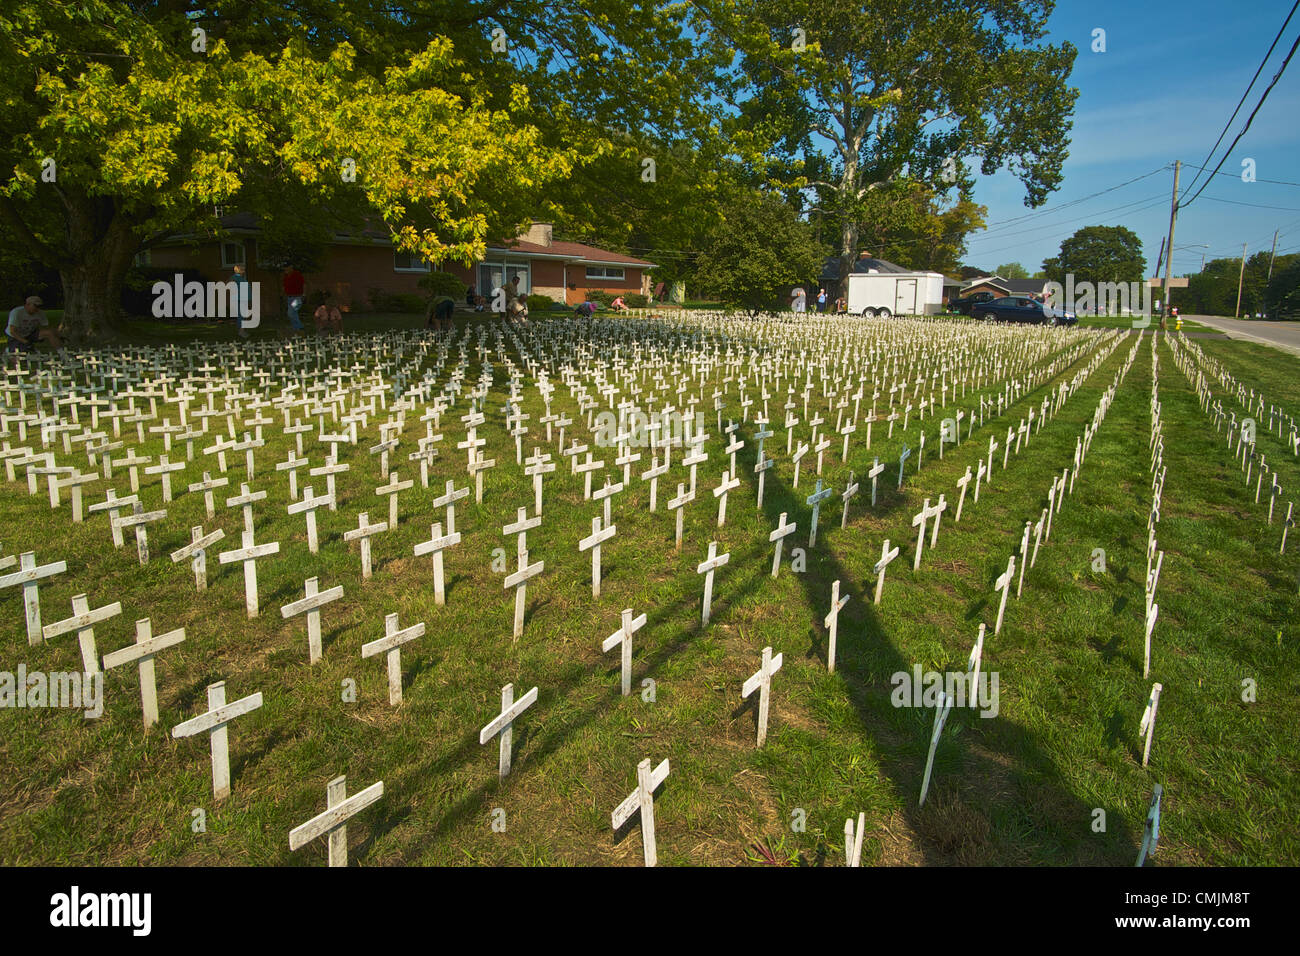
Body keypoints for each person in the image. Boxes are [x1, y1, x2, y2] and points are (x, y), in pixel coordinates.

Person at [283, 266, 305, 333]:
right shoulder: (286, 277)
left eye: (286, 268)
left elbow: (304, 284)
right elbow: (284, 287)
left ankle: (300, 326)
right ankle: (296, 328)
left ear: (291, 268)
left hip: (297, 297)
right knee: (293, 313)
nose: (285, 270)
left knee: (291, 312)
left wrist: (304, 294)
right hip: (289, 298)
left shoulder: (297, 275)